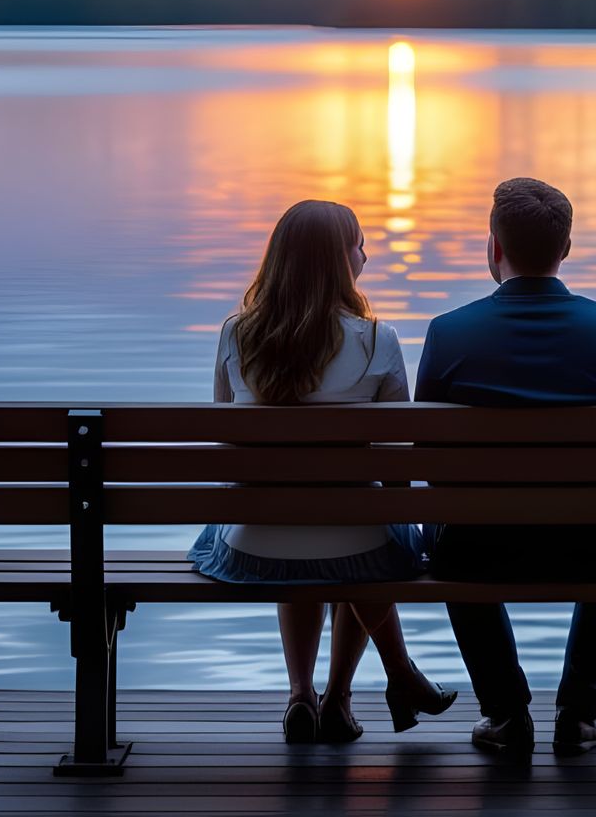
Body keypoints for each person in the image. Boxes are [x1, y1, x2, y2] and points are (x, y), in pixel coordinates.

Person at [415, 176, 596, 757]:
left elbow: (429, 463)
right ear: (567, 248)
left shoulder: (449, 333)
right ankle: (577, 713)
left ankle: (505, 713)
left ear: (494, 248)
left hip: (479, 547)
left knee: (447, 535)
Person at [190, 199, 456, 744]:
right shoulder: (377, 340)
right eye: (360, 244)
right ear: (340, 260)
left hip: (254, 546)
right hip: (356, 540)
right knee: (359, 536)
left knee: (300, 521)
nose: (367, 255)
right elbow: (399, 463)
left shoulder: (235, 335)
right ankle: (345, 695)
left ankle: (300, 696)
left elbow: (225, 448)